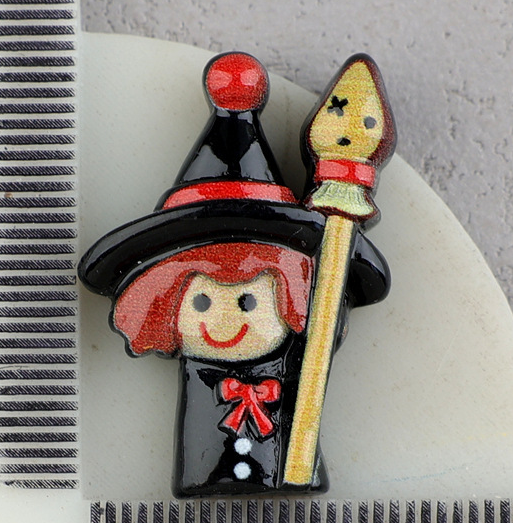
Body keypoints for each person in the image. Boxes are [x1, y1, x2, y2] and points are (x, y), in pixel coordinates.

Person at [78, 52, 390, 497]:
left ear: (295, 299)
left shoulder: (303, 351)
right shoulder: (200, 372)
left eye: (248, 300)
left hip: (291, 471)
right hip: (201, 475)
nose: (224, 320)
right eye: (202, 300)